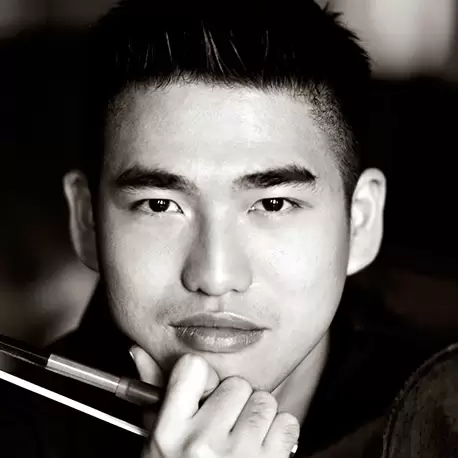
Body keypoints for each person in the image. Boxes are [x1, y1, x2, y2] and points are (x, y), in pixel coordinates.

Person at [2, 1, 444, 457]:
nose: (214, 276)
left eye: (273, 203)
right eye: (159, 205)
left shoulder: (441, 415)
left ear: (361, 221)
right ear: (87, 220)